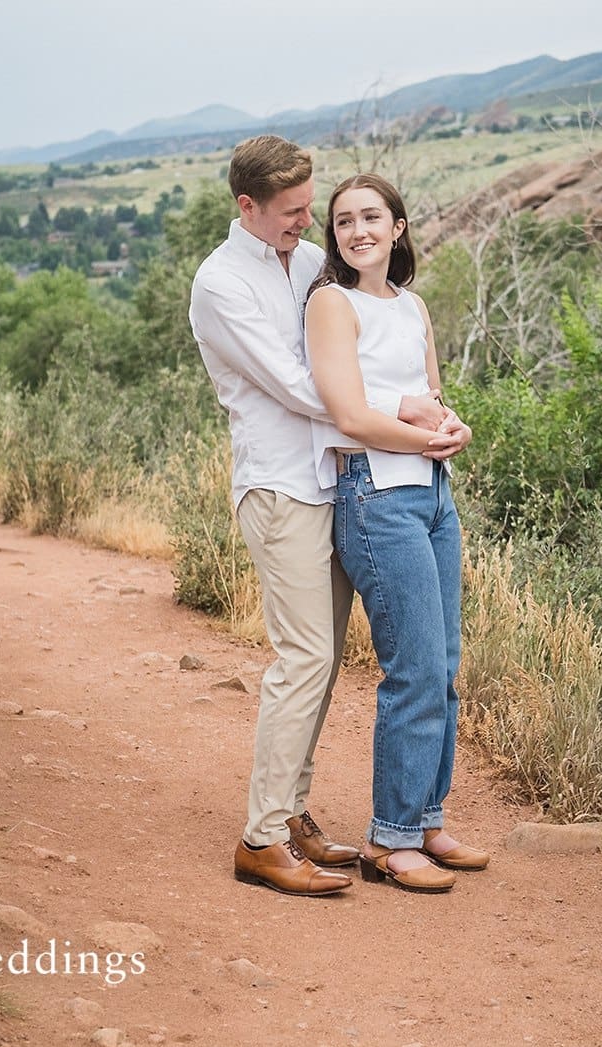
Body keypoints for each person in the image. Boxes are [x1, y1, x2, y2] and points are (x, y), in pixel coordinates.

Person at [189, 137, 471, 897]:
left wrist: (422, 410)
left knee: (327, 659)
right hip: (280, 484)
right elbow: (296, 384)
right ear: (247, 206)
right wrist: (402, 410)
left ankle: (293, 812)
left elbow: (363, 352)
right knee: (306, 656)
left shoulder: (310, 260)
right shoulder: (221, 284)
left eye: (311, 207)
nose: (307, 222)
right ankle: (261, 836)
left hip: (336, 481)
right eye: (292, 211)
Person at [303, 173, 490, 894]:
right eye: (344, 221)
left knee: (443, 665)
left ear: (398, 227)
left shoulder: (411, 306)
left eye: (371, 217)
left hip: (434, 495)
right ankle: (390, 838)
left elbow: (431, 397)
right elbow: (349, 415)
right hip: (376, 496)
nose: (358, 231)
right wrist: (424, 437)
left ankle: (426, 818)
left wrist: (453, 427)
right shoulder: (332, 302)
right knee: (412, 667)